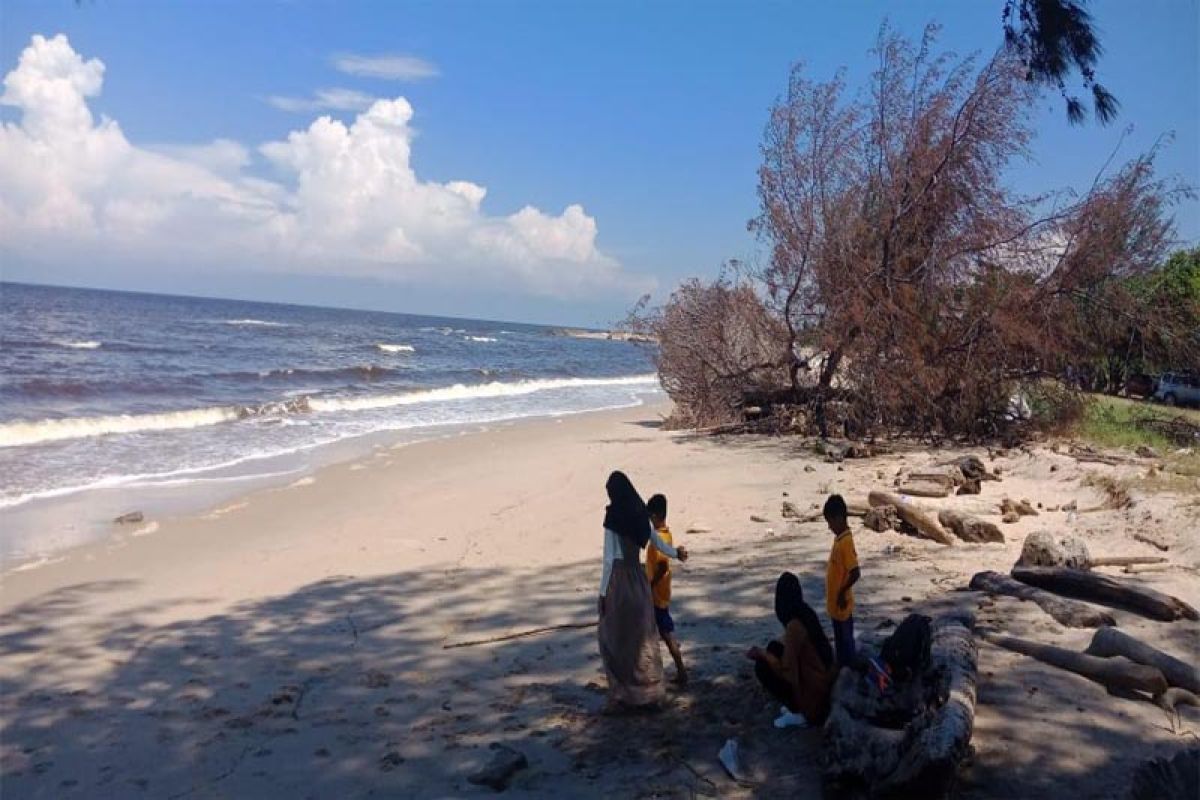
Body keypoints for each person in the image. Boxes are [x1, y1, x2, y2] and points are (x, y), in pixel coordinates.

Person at [597, 471, 689, 710]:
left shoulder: (613, 518)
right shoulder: (640, 514)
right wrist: (676, 553)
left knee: (613, 638)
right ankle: (650, 691)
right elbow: (657, 541)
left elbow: (608, 560)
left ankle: (623, 694)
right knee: (643, 640)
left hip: (619, 582)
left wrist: (603, 594)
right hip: (638, 581)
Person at [746, 572, 836, 728]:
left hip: (814, 694)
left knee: (762, 667)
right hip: (823, 678)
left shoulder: (795, 627)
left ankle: (799, 711)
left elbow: (786, 671)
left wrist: (762, 655)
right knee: (774, 647)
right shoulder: (805, 613)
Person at [645, 493, 688, 686]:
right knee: (662, 632)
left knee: (666, 634)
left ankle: (681, 671)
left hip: (657, 596)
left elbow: (661, 567)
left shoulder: (658, 540)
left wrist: (649, 586)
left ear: (654, 516)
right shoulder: (667, 534)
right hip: (661, 593)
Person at [824, 494, 860, 666]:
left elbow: (855, 572)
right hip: (835, 606)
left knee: (846, 641)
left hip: (842, 604)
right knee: (840, 641)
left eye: (830, 522)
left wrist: (842, 592)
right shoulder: (839, 539)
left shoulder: (846, 543)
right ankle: (842, 666)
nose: (829, 527)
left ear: (839, 518)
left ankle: (850, 667)